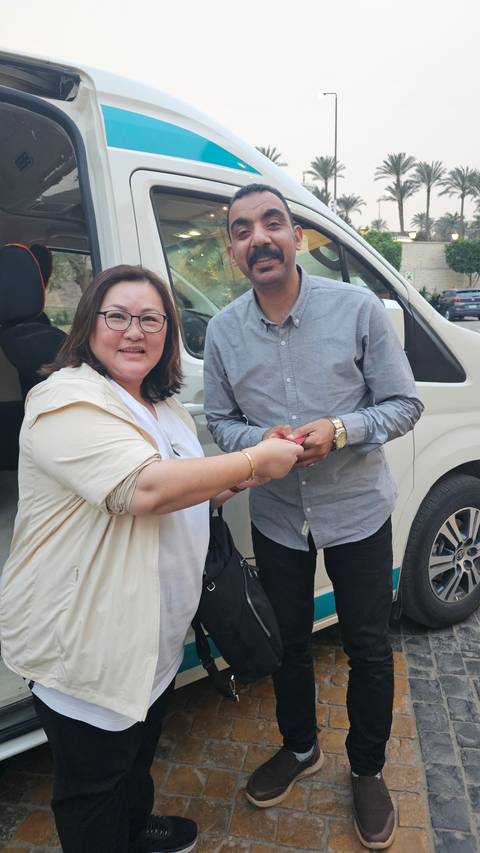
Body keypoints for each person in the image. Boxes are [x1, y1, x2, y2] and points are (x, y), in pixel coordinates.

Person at [0, 264, 303, 853]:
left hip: (150, 640)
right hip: (86, 645)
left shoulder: (163, 408)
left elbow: (185, 486)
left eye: (150, 319)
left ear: (167, 332)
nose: (132, 331)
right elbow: (144, 490)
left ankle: (136, 830)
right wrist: (253, 461)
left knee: (135, 759)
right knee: (93, 786)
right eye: (117, 316)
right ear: (89, 324)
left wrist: (243, 476)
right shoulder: (64, 397)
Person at [203, 184, 424, 850]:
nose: (259, 238)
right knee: (289, 644)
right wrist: (257, 444)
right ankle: (300, 748)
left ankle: (367, 767)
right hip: (277, 519)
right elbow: (220, 421)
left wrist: (339, 427)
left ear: (299, 236)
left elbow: (405, 403)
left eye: (272, 222)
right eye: (243, 230)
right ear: (233, 250)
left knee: (366, 648)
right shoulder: (222, 330)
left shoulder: (356, 309)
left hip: (357, 511)